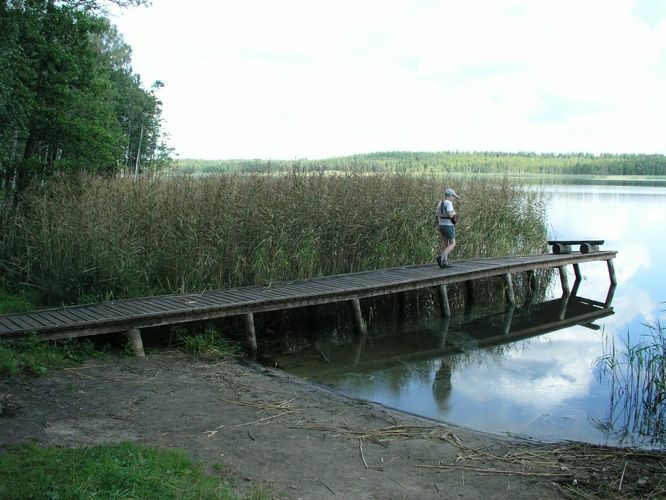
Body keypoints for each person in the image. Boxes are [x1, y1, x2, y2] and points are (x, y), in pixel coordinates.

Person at [435, 188, 459, 268]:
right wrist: (454, 213)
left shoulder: (440, 203)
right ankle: (441, 257)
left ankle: (445, 262)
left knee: (446, 245)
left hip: (441, 225)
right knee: (453, 243)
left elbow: (437, 215)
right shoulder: (448, 203)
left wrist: (440, 224)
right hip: (448, 225)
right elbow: (451, 214)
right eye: (453, 196)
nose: (454, 198)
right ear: (450, 196)